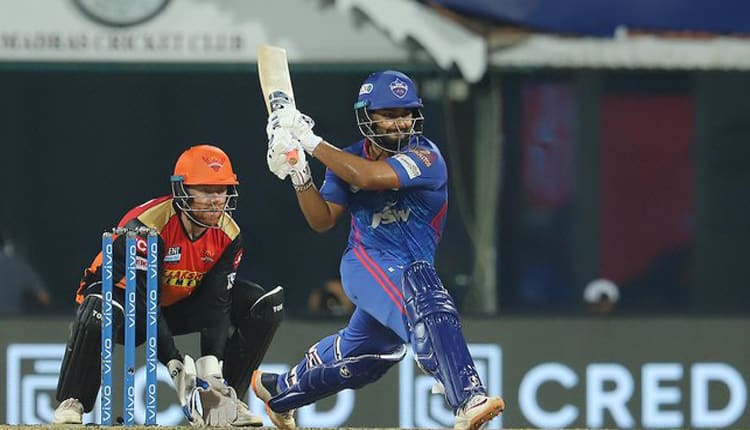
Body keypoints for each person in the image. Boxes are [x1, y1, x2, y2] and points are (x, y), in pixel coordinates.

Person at [253, 70, 504, 430]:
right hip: (366, 263)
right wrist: (299, 172)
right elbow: (322, 220)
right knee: (424, 295)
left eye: (406, 114)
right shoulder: (346, 160)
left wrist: (309, 140)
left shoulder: (426, 158)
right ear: (367, 117)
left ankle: (281, 392)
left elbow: (367, 177)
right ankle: (468, 398)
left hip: (409, 270)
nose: (400, 123)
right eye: (388, 114)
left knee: (372, 357)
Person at [53, 144, 284, 427]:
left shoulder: (228, 234)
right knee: (100, 309)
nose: (215, 200)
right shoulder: (146, 226)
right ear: (182, 190)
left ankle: (225, 401)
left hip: (173, 304)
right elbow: (142, 302)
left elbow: (216, 303)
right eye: (206, 191)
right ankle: (73, 401)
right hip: (125, 302)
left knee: (262, 304)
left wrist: (210, 371)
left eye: (221, 190)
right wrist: (175, 365)